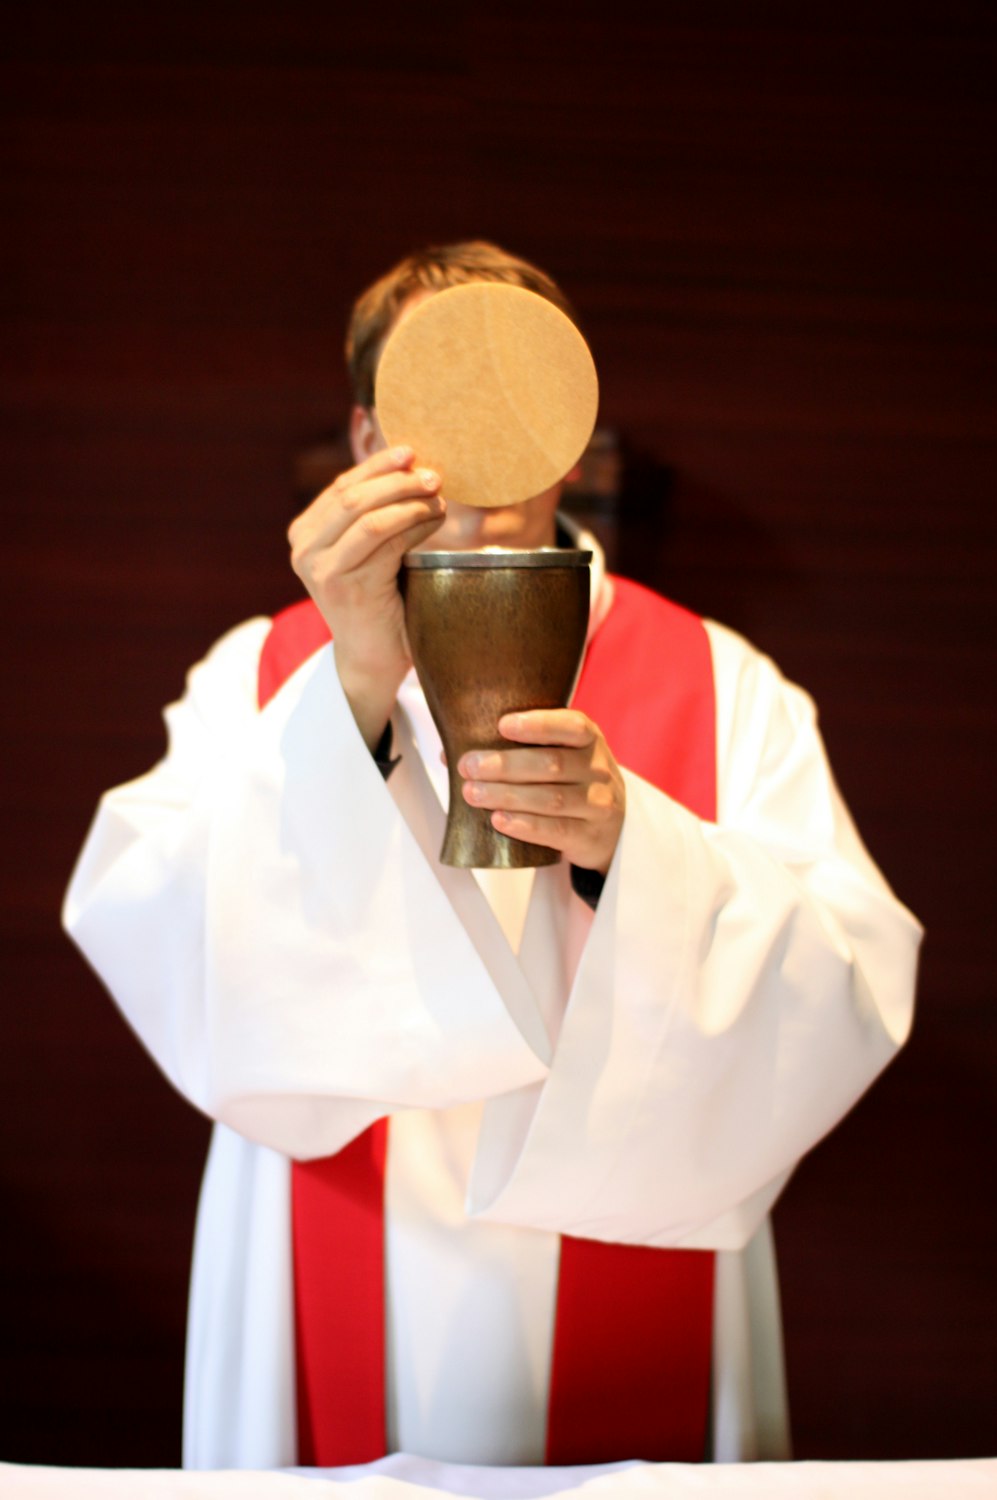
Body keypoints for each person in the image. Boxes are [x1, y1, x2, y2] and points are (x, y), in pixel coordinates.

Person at [63, 241, 921, 1472]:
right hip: (337, 1214)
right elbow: (151, 916)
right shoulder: (262, 670)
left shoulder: (725, 687)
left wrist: (633, 850)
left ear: (572, 429)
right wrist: (348, 693)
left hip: (630, 1223)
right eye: (431, 390)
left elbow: (846, 980)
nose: (480, 418)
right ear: (366, 435)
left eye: (520, 381)